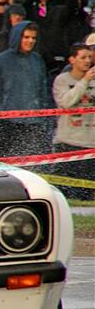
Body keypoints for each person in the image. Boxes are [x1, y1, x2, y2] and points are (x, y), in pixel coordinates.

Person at [0, 21, 52, 158]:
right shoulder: (2, 60)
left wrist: (45, 119)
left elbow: (42, 91)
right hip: (7, 123)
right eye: (26, 37)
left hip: (34, 123)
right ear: (17, 37)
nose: (30, 41)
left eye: (33, 38)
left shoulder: (37, 60)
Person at [51, 43, 94, 199]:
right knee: (65, 191)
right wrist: (84, 82)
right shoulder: (62, 80)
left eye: (89, 57)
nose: (87, 61)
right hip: (67, 142)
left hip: (90, 144)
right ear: (72, 60)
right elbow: (65, 103)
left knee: (87, 193)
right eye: (83, 57)